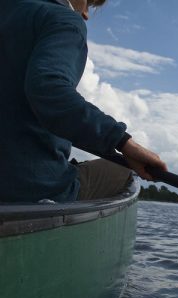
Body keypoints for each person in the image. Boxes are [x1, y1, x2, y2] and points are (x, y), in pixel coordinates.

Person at [0, 0, 167, 203]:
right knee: (124, 172)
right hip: (30, 188)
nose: (86, 14)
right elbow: (48, 90)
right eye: (89, 2)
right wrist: (122, 141)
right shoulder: (63, 20)